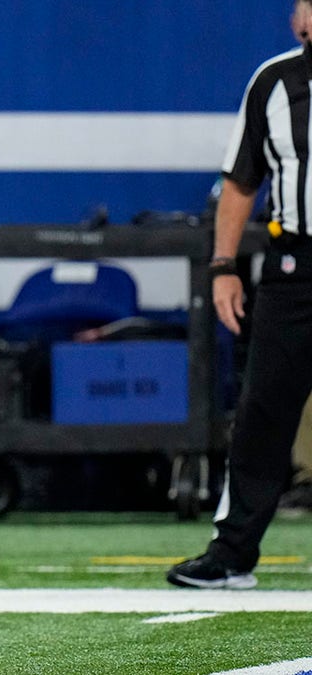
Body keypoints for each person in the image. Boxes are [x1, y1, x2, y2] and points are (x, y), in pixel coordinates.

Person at [167, 0, 312, 589]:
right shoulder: (275, 82)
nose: (307, 21)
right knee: (261, 410)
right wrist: (224, 264)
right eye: (303, 8)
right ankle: (232, 554)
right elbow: (241, 180)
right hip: (295, 261)